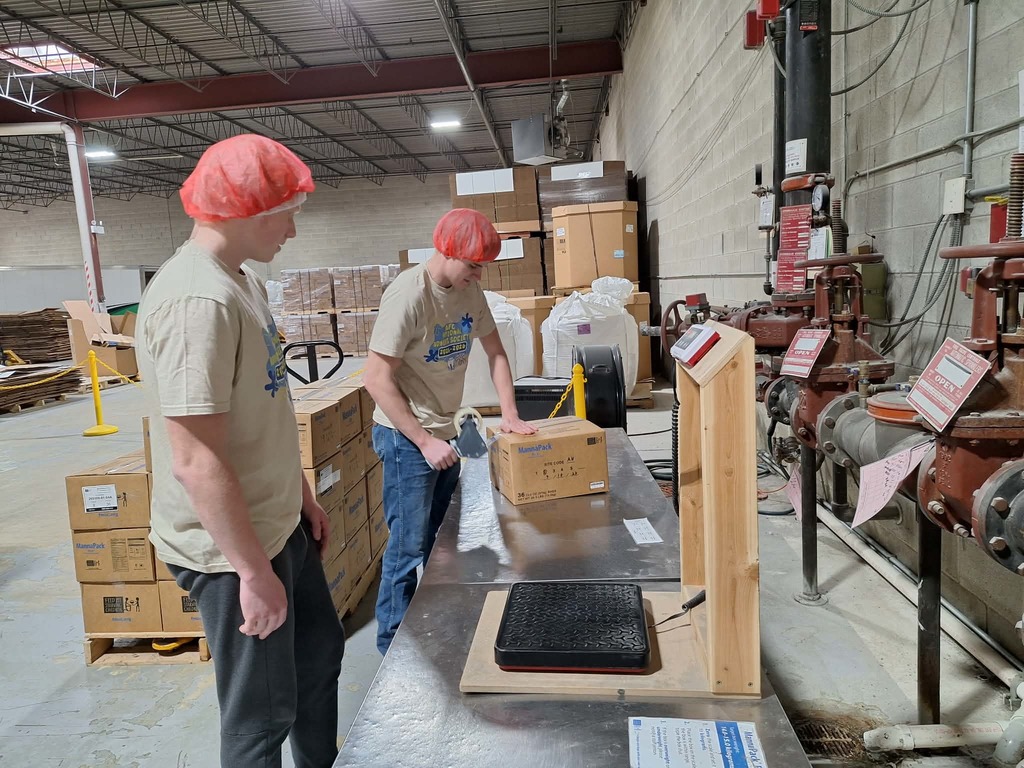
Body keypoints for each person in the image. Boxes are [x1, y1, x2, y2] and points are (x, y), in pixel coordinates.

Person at [136, 134, 345, 768]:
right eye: (288, 212)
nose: (292, 228)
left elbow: (267, 402)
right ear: (246, 210)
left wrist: (301, 495)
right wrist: (253, 574)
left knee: (319, 660)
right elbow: (196, 459)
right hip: (232, 551)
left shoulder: (243, 282)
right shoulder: (198, 301)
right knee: (261, 717)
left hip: (278, 524)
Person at [364, 208, 537, 654]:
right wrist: (423, 441)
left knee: (442, 539)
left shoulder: (470, 293)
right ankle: (393, 649)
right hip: (407, 438)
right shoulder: (408, 296)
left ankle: (436, 626)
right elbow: (376, 377)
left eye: (483, 266)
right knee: (407, 548)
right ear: (446, 250)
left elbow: (497, 353)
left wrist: (510, 412)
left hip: (444, 431)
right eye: (472, 264)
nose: (478, 274)